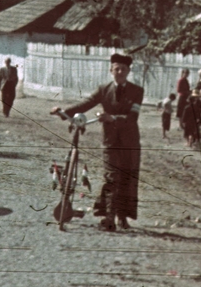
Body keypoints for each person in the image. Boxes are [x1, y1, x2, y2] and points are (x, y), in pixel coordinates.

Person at [52, 52, 144, 232]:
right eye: (116, 69)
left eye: (123, 69)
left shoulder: (137, 91)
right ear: (111, 70)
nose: (120, 72)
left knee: (127, 178)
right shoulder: (104, 90)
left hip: (130, 142)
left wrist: (112, 118)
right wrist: (63, 112)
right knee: (111, 177)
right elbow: (86, 104)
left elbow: (132, 118)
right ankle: (109, 217)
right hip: (110, 142)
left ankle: (123, 217)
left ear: (128, 71)